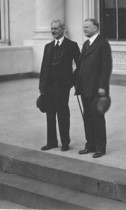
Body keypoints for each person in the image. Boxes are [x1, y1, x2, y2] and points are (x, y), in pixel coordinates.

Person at [39, 20, 80, 152]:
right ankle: (51, 142)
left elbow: (80, 65)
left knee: (63, 114)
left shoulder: (72, 45)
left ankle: (65, 142)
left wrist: (71, 81)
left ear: (63, 29)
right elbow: (44, 67)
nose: (53, 31)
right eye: (52, 28)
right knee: (50, 114)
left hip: (62, 87)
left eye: (56, 28)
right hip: (48, 87)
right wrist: (41, 86)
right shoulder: (48, 46)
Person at [75, 18, 112, 158]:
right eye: (83, 27)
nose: (84, 29)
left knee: (97, 117)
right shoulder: (86, 44)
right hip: (85, 87)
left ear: (96, 28)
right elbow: (81, 66)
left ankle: (100, 148)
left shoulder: (102, 43)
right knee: (88, 117)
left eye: (87, 27)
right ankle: (89, 145)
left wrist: (103, 86)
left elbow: (106, 67)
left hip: (97, 89)